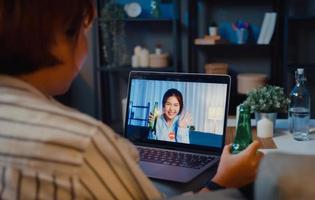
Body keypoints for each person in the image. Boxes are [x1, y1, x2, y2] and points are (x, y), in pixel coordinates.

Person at [0, 0, 263, 199]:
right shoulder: (83, 144)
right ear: (58, 39)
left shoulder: (182, 125)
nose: (172, 108)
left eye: (176, 105)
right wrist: (223, 182)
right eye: (83, 29)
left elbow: (185, 142)